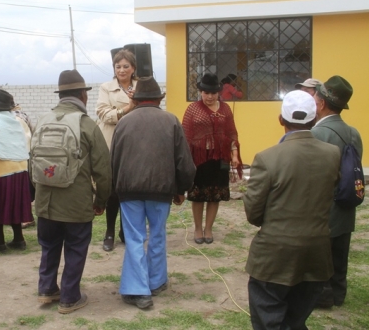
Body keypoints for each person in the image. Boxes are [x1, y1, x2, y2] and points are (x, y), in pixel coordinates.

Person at [244, 90, 340, 330]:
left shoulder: (267, 158)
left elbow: (253, 212)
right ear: (315, 118)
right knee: (296, 319)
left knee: (268, 319)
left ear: (281, 119)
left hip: (274, 256)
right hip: (316, 253)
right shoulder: (332, 154)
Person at [111, 76, 196, 309]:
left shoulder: (124, 123)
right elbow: (184, 162)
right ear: (159, 99)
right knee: (157, 234)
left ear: (136, 99)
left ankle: (138, 290)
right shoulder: (171, 121)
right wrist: (181, 190)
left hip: (129, 190)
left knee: (135, 238)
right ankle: (156, 282)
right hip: (161, 190)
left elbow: (114, 161)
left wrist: (114, 191)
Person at [34, 69, 111, 314]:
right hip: (76, 202)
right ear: (82, 95)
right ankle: (69, 297)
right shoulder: (87, 125)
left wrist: (39, 194)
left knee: (49, 246)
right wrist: (101, 200)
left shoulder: (41, 121)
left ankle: (46, 289)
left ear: (60, 95)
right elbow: (103, 171)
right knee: (76, 248)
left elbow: (32, 164)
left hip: (46, 201)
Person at [311, 75, 363, 309]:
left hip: (323, 206)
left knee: (322, 255)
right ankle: (338, 293)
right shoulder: (354, 133)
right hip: (346, 203)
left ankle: (323, 296)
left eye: (314, 96)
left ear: (321, 103)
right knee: (341, 253)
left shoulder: (317, 134)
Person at [182, 73, 242, 244]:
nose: (209, 96)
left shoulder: (225, 109)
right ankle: (198, 229)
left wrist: (235, 154)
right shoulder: (193, 109)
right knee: (198, 195)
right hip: (199, 159)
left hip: (220, 159)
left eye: (213, 93)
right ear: (200, 92)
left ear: (218, 93)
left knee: (215, 195)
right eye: (205, 93)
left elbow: (231, 133)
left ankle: (208, 229)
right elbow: (185, 135)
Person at [96, 49, 138, 251]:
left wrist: (136, 103)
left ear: (133, 68)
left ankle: (125, 231)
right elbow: (103, 114)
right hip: (112, 142)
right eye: (118, 66)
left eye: (125, 66)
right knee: (112, 191)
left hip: (135, 143)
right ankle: (110, 232)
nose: (121, 70)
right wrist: (126, 109)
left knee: (130, 190)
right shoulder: (106, 88)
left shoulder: (141, 87)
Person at [0, 89, 32, 252]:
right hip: (20, 170)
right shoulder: (18, 121)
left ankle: (0, 242)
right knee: (15, 204)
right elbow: (27, 143)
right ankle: (18, 239)